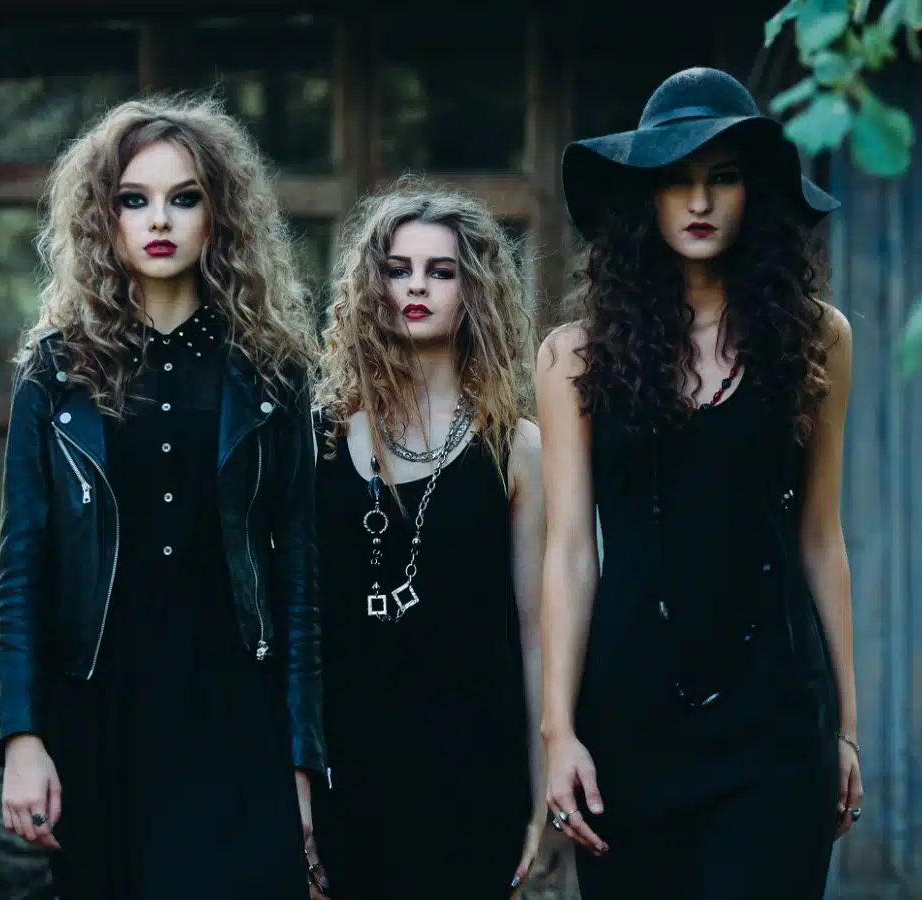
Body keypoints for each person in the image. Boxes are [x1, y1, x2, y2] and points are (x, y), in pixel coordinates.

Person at [0, 95, 327, 899]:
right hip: (97, 712)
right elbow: (22, 572)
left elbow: (301, 582)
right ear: (103, 219)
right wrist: (22, 736)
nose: (159, 220)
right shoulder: (56, 373)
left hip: (233, 713)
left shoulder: (272, 375)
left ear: (220, 215)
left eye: (184, 198)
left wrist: (303, 758)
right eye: (134, 200)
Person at [534, 67, 861, 897]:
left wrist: (848, 731)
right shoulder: (575, 354)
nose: (700, 201)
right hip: (630, 721)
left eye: (722, 177)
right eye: (677, 180)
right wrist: (559, 732)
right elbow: (571, 552)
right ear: (646, 197)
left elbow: (821, 538)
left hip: (776, 722)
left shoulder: (818, 340)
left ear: (755, 192)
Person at [309, 180, 546, 899]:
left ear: (473, 291)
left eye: (441, 271)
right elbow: (298, 634)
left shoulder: (517, 447)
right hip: (348, 773)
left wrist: (543, 801)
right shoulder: (317, 444)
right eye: (397, 269)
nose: (416, 287)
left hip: (475, 777)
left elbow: (536, 633)